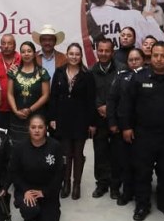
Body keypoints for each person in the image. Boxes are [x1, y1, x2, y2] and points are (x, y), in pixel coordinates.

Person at [119, 42, 164, 221]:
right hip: (143, 134)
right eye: (155, 55)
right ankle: (142, 205)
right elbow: (127, 104)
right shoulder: (139, 77)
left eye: (163, 56)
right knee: (142, 172)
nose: (159, 59)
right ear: (150, 57)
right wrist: (127, 127)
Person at [49, 43, 96, 200]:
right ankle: (66, 184)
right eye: (71, 53)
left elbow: (91, 100)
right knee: (66, 154)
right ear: (67, 55)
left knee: (78, 153)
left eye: (77, 54)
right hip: (63, 119)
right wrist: (53, 118)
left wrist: (91, 123)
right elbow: (53, 97)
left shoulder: (87, 75)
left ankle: (77, 185)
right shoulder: (59, 72)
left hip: (81, 120)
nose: (74, 57)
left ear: (80, 56)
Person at [8, 115, 64, 221]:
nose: (37, 130)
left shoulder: (55, 146)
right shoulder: (19, 148)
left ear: (46, 129)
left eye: (40, 127)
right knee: (29, 210)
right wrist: (25, 191)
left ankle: (45, 212)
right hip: (27, 190)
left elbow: (59, 175)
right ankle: (29, 218)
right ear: (29, 129)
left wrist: (45, 192)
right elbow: (14, 173)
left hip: (47, 191)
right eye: (33, 127)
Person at [107, 48, 146, 206]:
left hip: (144, 129)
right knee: (125, 162)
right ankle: (127, 192)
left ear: (143, 60)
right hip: (124, 127)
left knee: (141, 163)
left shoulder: (149, 75)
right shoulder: (121, 76)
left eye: (137, 59)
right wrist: (113, 122)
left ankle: (141, 193)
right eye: (131, 59)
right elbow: (112, 100)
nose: (134, 62)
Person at [7, 41, 51, 146]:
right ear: (20, 54)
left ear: (34, 54)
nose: (26, 54)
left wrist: (30, 110)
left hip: (37, 117)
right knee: (17, 148)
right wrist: (16, 111)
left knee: (37, 147)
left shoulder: (42, 72)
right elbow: (9, 94)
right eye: (23, 52)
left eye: (29, 51)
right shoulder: (14, 71)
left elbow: (46, 95)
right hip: (17, 117)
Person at [90, 38, 118, 198]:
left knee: (116, 153)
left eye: (107, 51)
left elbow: (123, 93)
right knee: (100, 152)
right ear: (96, 51)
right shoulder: (91, 71)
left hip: (115, 120)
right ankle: (102, 184)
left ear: (112, 52)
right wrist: (99, 106)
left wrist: (110, 108)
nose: (104, 53)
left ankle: (115, 186)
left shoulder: (121, 69)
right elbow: (89, 94)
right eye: (101, 50)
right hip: (98, 119)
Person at [0, 34, 21, 130]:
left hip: (19, 108)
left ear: (14, 45)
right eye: (3, 43)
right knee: (0, 139)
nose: (6, 46)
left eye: (9, 43)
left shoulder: (22, 60)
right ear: (0, 46)